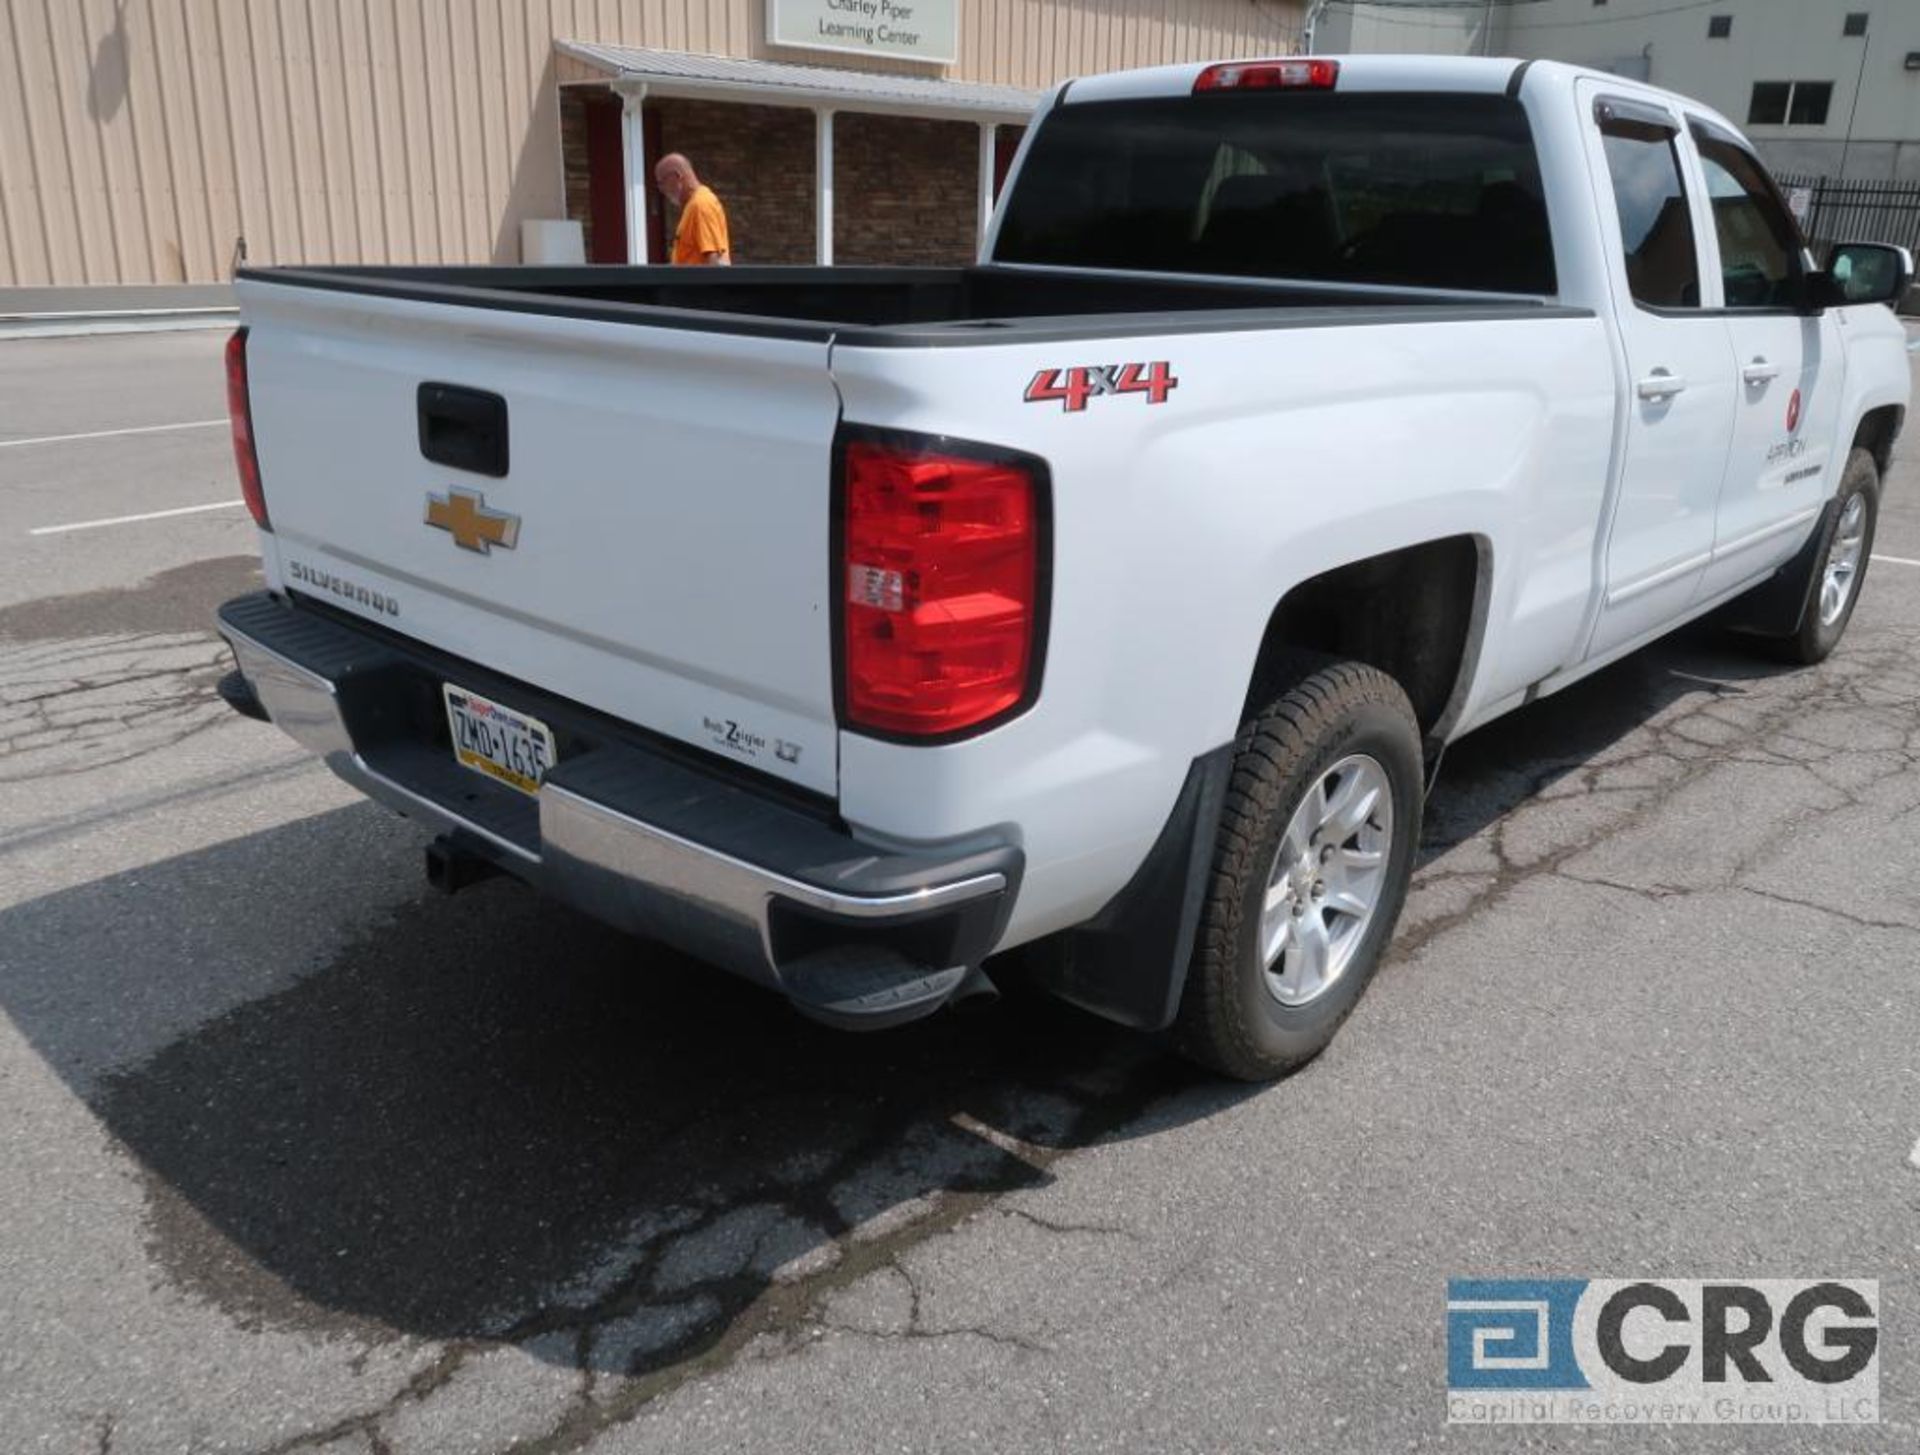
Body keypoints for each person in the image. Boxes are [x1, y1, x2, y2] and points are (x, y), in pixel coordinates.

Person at [654, 153, 731, 266]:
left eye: (661, 182)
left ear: (677, 176)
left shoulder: (701, 205)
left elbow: (716, 263)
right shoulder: (692, 205)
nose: (661, 189)